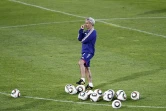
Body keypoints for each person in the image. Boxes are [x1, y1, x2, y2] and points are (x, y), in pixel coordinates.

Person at [76, 17, 97, 90]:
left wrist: (82, 39)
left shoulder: (93, 32)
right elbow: (79, 38)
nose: (86, 24)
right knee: (86, 68)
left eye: (87, 23)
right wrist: (81, 30)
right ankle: (90, 84)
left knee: (81, 62)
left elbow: (84, 40)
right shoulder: (86, 31)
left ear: (91, 24)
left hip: (89, 52)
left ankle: (82, 79)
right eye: (86, 23)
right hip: (85, 52)